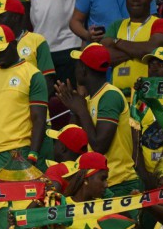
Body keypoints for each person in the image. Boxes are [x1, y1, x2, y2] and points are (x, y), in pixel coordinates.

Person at [55, 44, 139, 194]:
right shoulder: (88, 100)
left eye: (78, 63)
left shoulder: (110, 96)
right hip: (99, 184)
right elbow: (74, 144)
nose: (75, 68)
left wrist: (81, 110)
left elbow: (100, 145)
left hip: (119, 183)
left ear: (84, 70)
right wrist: (75, 110)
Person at [0, 24, 48, 169]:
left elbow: (38, 119)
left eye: (2, 50)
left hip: (18, 152)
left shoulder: (33, 75)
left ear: (14, 44)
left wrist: (33, 155)